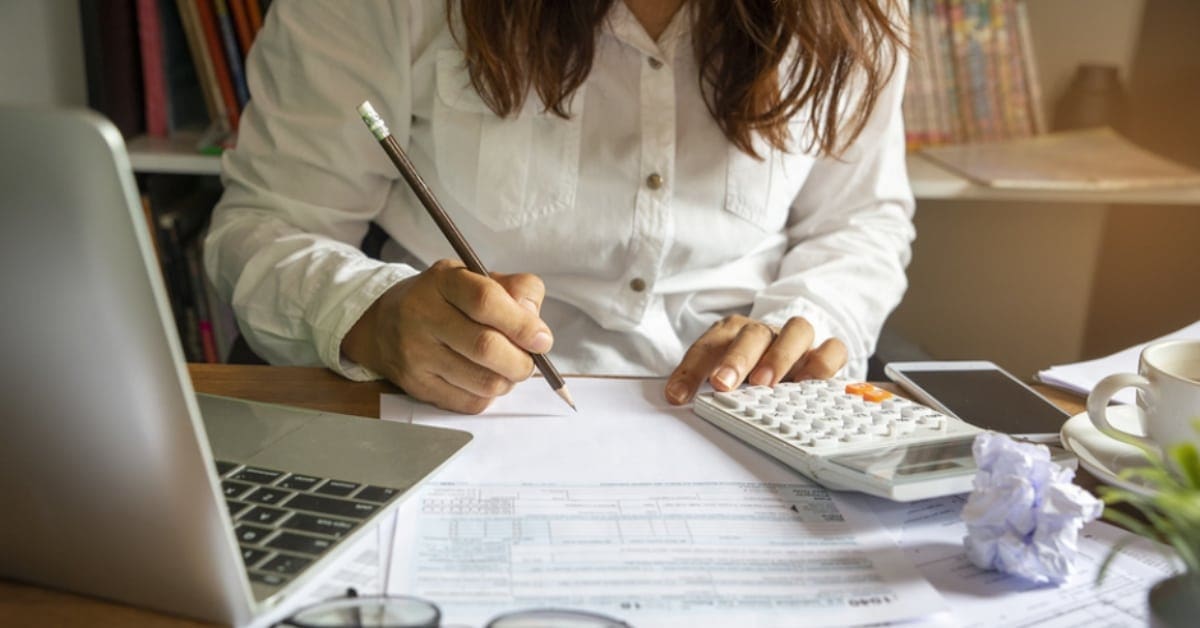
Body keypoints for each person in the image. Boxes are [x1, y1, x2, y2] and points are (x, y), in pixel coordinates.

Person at [205, 0, 915, 414]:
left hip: (748, 419)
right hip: (452, 416)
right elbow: (266, 225)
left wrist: (805, 324)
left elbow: (859, 222)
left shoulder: (854, 12)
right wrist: (370, 315)